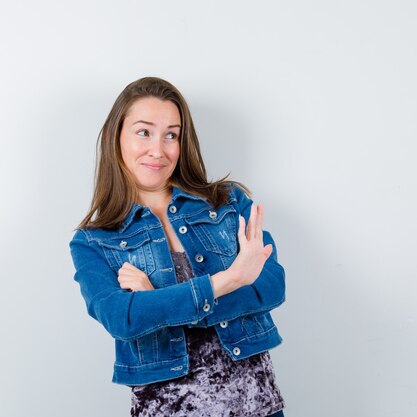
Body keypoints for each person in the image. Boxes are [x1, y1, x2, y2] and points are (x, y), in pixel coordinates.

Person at [69, 76, 286, 417]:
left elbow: (271, 286)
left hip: (257, 406)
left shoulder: (228, 203)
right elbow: (122, 319)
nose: (158, 149)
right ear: (117, 137)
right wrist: (230, 280)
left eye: (172, 134)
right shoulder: (94, 242)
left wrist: (157, 298)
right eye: (144, 132)